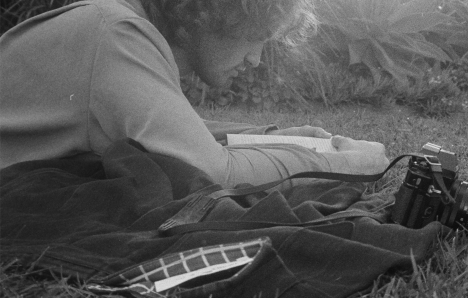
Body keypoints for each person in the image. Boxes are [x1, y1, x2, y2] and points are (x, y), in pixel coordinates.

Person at [0, 0, 389, 190]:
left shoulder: (121, 24)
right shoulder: (117, 35)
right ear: (212, 13)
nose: (255, 59)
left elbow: (178, 130)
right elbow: (215, 173)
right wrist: (348, 163)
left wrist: (272, 137)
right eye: (254, 38)